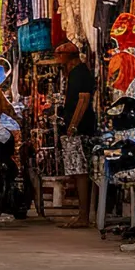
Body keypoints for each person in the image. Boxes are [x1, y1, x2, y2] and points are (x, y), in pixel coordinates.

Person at [55, 43, 99, 228]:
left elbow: (83, 99)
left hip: (80, 130)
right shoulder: (75, 73)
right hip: (79, 128)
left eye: (59, 55)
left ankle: (83, 216)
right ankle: (88, 213)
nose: (57, 59)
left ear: (67, 56)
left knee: (81, 171)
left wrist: (73, 125)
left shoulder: (79, 73)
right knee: (81, 171)